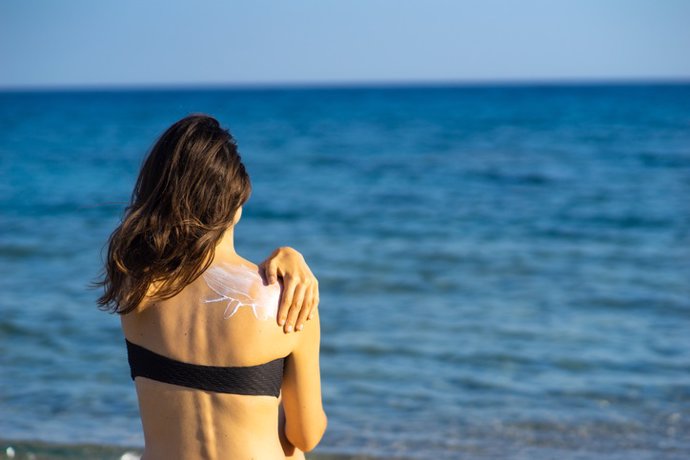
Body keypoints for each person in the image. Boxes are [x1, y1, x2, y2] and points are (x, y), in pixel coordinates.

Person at [95, 114, 327, 459]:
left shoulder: (134, 287)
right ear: (236, 202)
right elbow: (306, 435)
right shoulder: (286, 298)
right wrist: (291, 254)